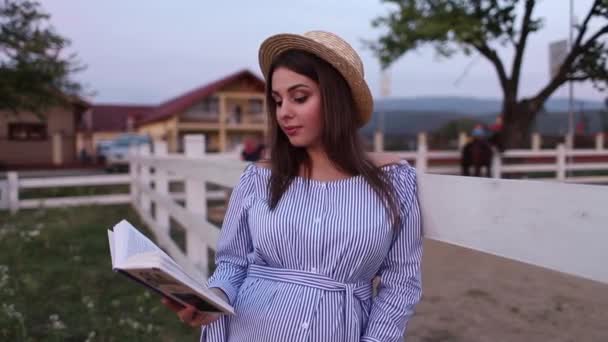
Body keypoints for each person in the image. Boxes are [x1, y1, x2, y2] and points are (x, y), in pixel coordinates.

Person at [163, 30, 423, 341]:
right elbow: (232, 263)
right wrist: (212, 300)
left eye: (299, 97)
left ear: (336, 97)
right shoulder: (259, 179)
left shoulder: (394, 182)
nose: (284, 112)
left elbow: (401, 283)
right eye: (277, 100)